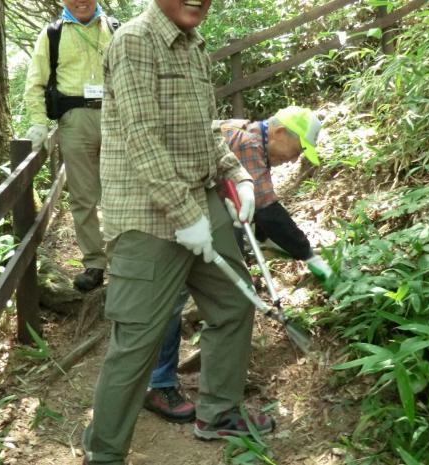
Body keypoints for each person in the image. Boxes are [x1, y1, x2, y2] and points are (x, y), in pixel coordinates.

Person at [83, 1, 276, 464]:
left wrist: (238, 175)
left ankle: (219, 412)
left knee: (233, 303)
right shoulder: (134, 41)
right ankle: (104, 454)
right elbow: (141, 136)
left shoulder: (193, 44)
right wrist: (184, 213)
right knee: (136, 342)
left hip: (200, 199)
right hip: (147, 217)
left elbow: (204, 130)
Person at [142, 107, 333, 423]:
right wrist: (308, 254)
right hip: (174, 218)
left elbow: (254, 207)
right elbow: (268, 212)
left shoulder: (249, 139)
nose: (296, 159)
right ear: (280, 132)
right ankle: (160, 385)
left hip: (191, 217)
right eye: (298, 149)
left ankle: (189, 390)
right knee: (174, 300)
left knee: (197, 299)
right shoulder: (245, 143)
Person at [23, 0, 113, 292]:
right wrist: (38, 123)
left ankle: (125, 258)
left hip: (116, 117)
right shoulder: (52, 34)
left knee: (123, 190)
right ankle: (95, 263)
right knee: (84, 196)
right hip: (74, 120)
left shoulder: (115, 29)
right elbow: (35, 83)